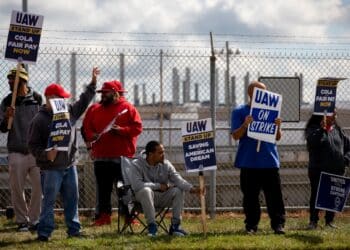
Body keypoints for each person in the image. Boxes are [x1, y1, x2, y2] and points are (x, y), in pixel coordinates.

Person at [27, 67, 100, 241]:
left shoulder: (69, 111)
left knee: (72, 199)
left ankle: (74, 230)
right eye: (61, 98)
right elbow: (32, 146)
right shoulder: (39, 120)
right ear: (50, 99)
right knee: (49, 201)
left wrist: (93, 83)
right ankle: (44, 233)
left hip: (69, 165)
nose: (64, 101)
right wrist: (46, 155)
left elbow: (83, 101)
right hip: (50, 168)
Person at [82, 80, 142, 226]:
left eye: (105, 93)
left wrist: (121, 130)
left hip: (122, 158)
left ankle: (129, 217)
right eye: (101, 93)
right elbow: (85, 129)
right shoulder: (94, 109)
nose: (102, 95)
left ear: (115, 93)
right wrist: (92, 138)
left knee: (124, 189)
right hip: (101, 157)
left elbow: (137, 128)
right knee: (103, 190)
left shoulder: (128, 108)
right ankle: (104, 217)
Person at [230, 81, 286, 235]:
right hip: (249, 161)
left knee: (275, 196)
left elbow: (278, 137)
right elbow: (235, 135)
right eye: (261, 92)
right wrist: (245, 125)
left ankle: (278, 224)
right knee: (250, 197)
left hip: (269, 160)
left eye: (266, 92)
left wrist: (278, 127)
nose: (265, 95)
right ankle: (251, 225)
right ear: (251, 94)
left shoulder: (272, 110)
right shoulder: (240, 111)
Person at [129, 140, 202, 237]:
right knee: (146, 191)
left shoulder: (166, 164)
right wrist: (158, 186)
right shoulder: (136, 164)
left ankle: (175, 227)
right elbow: (137, 185)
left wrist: (192, 189)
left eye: (163, 152)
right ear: (150, 154)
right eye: (160, 153)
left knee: (178, 190)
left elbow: (178, 180)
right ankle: (152, 226)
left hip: (161, 197)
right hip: (141, 200)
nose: (163, 155)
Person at [0, 65, 42, 232]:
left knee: (39, 186)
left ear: (23, 81)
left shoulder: (37, 98)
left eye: (13, 80)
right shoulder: (6, 101)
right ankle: (22, 221)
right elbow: (2, 128)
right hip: (16, 150)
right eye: (9, 80)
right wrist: (6, 117)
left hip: (36, 151)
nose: (10, 83)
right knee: (17, 188)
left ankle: (35, 220)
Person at [305, 111, 350, 229]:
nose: (335, 113)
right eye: (332, 111)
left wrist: (344, 160)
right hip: (318, 170)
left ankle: (329, 221)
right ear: (323, 114)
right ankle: (313, 221)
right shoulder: (313, 128)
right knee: (316, 194)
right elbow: (312, 143)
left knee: (332, 195)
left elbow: (348, 147)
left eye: (335, 111)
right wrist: (322, 130)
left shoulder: (338, 130)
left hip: (336, 169)